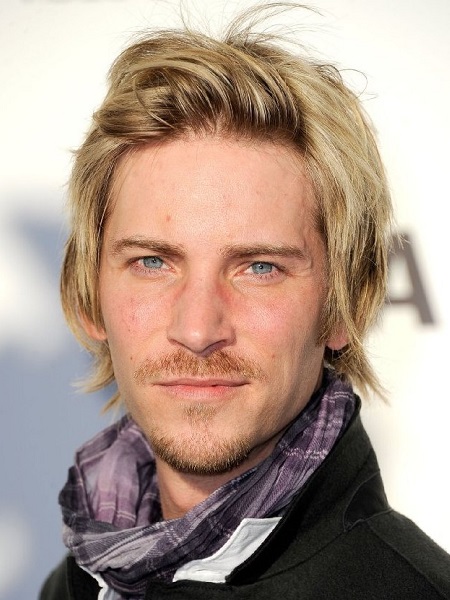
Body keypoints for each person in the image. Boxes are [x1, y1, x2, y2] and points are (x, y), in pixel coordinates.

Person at [40, 5, 450, 599]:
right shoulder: (74, 583)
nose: (198, 328)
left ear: (345, 305)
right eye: (152, 262)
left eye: (260, 268)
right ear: (87, 293)